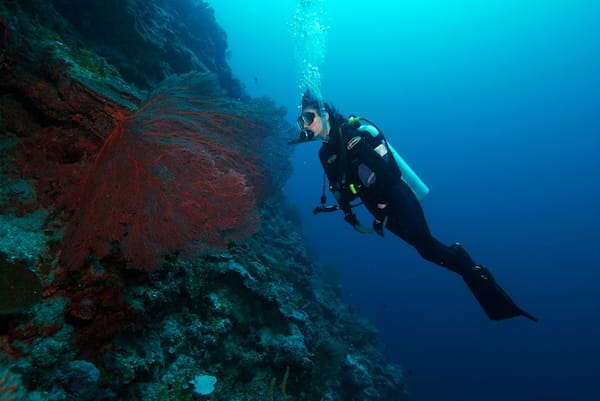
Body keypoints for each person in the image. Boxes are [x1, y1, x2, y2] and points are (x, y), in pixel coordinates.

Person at [295, 92, 537, 322]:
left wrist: (381, 206)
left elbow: (389, 172)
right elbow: (339, 190)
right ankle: (465, 262)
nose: (304, 125)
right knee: (427, 249)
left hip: (395, 195)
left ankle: (482, 280)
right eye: (300, 121)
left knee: (427, 248)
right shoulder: (324, 154)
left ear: (324, 113)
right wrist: (350, 214)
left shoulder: (350, 136)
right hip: (378, 210)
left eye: (308, 117)